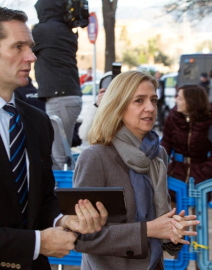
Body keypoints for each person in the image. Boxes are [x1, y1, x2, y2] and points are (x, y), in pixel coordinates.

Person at [0, 7, 108, 270]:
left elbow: (42, 202)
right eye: (18, 47)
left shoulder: (38, 122)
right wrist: (37, 244)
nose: (31, 56)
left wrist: (62, 221)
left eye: (30, 47)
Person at [73, 70, 200, 270]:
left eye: (154, 100)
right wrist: (148, 230)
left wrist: (173, 231)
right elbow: (83, 237)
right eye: (139, 100)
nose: (150, 108)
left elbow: (159, 222)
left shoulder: (158, 155)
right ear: (118, 105)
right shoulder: (96, 157)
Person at [32, 0, 82, 170]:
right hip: (70, 96)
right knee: (62, 152)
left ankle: (64, 195)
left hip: (60, 98)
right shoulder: (67, 31)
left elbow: (24, 47)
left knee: (60, 157)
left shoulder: (43, 31)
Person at [161, 84, 212, 190]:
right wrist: (161, 166)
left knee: (198, 204)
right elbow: (166, 142)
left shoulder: (208, 119)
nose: (176, 101)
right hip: (175, 172)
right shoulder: (173, 116)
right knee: (173, 203)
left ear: (191, 101)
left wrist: (206, 171)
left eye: (179, 98)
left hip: (202, 177)